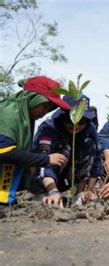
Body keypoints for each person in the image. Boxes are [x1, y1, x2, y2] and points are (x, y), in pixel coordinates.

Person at [0, 76, 70, 205]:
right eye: (44, 106)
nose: (45, 112)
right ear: (34, 99)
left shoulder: (26, 116)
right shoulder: (9, 113)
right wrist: (46, 159)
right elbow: (4, 152)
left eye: (49, 108)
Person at [30, 95, 102, 208]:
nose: (75, 126)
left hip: (67, 178)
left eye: (81, 121)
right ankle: (44, 191)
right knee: (64, 148)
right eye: (70, 120)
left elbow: (96, 158)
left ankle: (79, 194)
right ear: (63, 116)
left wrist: (90, 190)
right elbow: (43, 163)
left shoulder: (89, 128)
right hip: (43, 178)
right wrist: (53, 191)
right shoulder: (49, 128)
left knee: (89, 144)